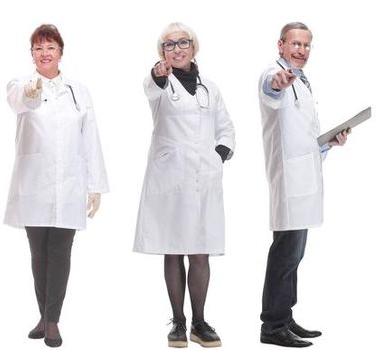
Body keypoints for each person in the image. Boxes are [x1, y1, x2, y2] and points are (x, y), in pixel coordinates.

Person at [4, 23, 109, 348]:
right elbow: (20, 102)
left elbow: (89, 138)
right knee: (39, 255)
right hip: (34, 184)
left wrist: (95, 186)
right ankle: (43, 313)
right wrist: (30, 93)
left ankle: (52, 321)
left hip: (70, 185)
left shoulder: (79, 91)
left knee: (60, 253)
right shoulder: (20, 84)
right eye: (38, 48)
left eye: (50, 47)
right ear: (32, 54)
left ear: (61, 52)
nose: (44, 53)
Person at [133, 22, 235, 348]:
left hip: (203, 178)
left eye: (183, 42)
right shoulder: (162, 85)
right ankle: (178, 322)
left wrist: (218, 156)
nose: (177, 48)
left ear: (194, 46)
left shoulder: (211, 88)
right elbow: (151, 85)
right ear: (162, 52)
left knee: (200, 253)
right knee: (174, 251)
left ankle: (199, 322)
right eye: (169, 44)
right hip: (171, 180)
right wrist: (158, 74)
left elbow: (226, 129)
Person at [256, 21, 349, 348]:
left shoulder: (304, 81)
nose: (301, 51)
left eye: (307, 45)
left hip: (304, 176)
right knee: (285, 253)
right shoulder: (274, 74)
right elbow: (271, 90)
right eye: (295, 44)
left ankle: (285, 316)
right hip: (289, 180)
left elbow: (302, 136)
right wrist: (278, 83)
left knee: (294, 255)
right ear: (280, 45)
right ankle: (272, 326)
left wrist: (328, 143)